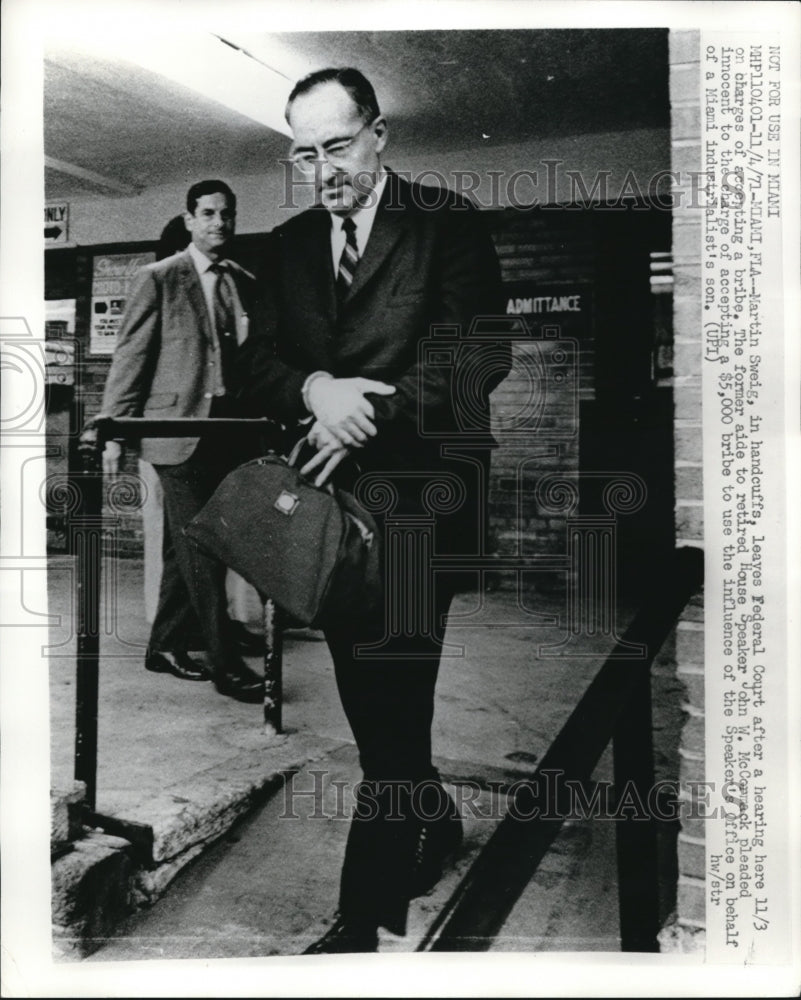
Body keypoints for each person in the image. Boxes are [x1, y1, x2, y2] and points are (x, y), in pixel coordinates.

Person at [240, 68, 510, 951]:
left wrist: (372, 410)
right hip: (326, 518)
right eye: (305, 152)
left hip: (418, 507)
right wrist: (316, 386)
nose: (324, 168)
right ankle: (431, 819)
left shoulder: (445, 224)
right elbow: (258, 366)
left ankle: (362, 922)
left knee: (392, 714)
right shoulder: (284, 246)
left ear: (379, 134)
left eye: (339, 145)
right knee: (376, 705)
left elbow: (479, 352)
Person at [98, 180, 266, 703]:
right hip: (174, 435)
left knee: (184, 545)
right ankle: (225, 664)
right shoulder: (160, 278)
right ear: (190, 220)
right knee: (205, 547)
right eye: (209, 213)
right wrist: (114, 432)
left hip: (227, 435)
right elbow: (131, 358)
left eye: (227, 214)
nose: (219, 222)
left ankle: (164, 645)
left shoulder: (242, 280)